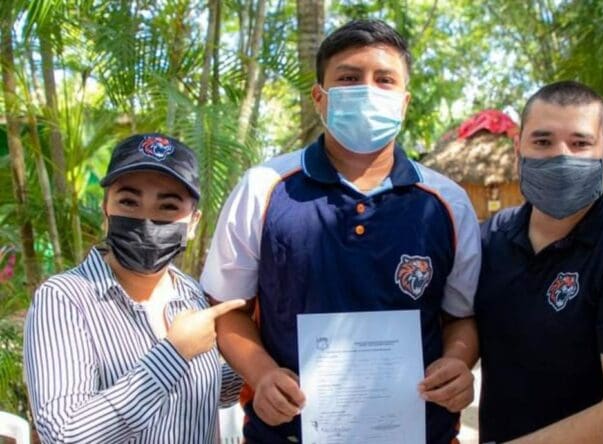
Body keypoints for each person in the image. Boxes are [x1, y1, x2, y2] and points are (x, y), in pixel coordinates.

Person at [201, 19, 481, 444]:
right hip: (286, 435)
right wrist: (263, 373)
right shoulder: (263, 189)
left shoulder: (446, 202)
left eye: (384, 80)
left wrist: (459, 361)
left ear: (404, 102)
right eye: (349, 78)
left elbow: (461, 316)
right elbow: (226, 312)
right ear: (320, 98)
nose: (368, 90)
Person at [475, 81, 603, 443]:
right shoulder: (491, 237)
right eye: (542, 142)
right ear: (517, 150)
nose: (560, 156)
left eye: (580, 143)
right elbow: (465, 321)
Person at [24, 134, 244, 443]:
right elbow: (65, 434)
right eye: (129, 201)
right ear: (106, 210)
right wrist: (175, 353)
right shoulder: (63, 298)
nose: (146, 221)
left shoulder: (191, 293)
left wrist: (256, 365)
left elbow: (200, 393)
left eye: (168, 206)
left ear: (193, 223)